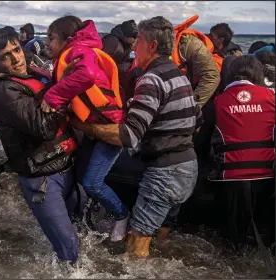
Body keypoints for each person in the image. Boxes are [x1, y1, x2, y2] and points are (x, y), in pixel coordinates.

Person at [69, 16, 200, 257]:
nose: (133, 47)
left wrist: (82, 125)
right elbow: (196, 120)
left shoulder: (151, 79)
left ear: (150, 45)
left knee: (136, 243)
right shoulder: (179, 75)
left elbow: (128, 135)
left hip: (165, 173)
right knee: (159, 237)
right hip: (188, 168)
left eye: (137, 41)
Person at [0, 27, 84, 263]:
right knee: (69, 250)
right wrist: (64, 88)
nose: (16, 59)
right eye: (6, 56)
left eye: (16, 50)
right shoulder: (4, 90)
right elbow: (44, 127)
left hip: (64, 165)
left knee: (80, 234)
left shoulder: (32, 71)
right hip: (42, 180)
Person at [41, 15, 128, 242]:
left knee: (92, 182)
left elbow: (87, 74)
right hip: (93, 126)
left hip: (109, 128)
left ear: (67, 39)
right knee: (80, 177)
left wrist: (53, 96)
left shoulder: (77, 50)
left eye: (51, 38)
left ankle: (121, 215)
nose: (47, 44)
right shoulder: (75, 51)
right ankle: (90, 218)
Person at [206, 55, 275, 248]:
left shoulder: (217, 102)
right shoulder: (272, 98)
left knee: (234, 242)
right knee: (264, 238)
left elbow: (203, 143)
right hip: (268, 178)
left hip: (231, 180)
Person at [171, 15, 221, 107]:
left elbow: (212, 76)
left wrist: (190, 107)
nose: (134, 47)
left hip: (192, 99)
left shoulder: (191, 44)